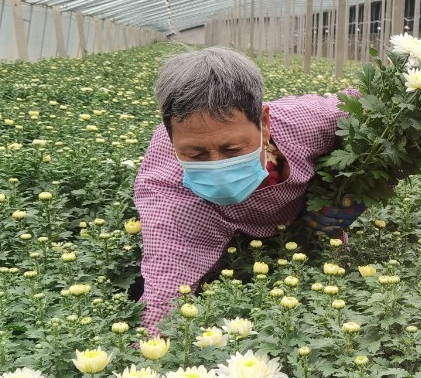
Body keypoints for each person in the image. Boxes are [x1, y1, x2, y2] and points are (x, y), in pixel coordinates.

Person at [133, 47, 365, 331]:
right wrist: (150, 351)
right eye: (195, 154)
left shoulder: (306, 123)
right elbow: (166, 279)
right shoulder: (164, 186)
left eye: (232, 149)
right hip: (227, 248)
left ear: (264, 124)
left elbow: (369, 107)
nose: (217, 165)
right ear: (171, 139)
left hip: (303, 222)